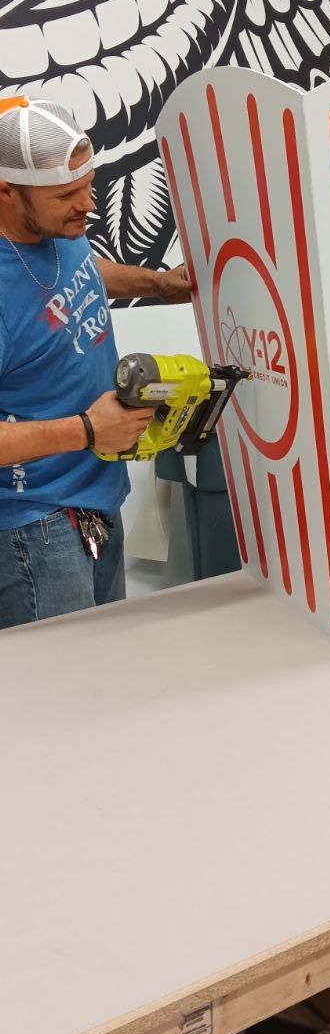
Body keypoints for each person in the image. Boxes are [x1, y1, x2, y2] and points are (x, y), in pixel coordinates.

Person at [0, 94, 193, 631]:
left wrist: (156, 284)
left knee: (104, 671)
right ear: (7, 191)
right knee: (60, 699)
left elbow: (81, 270)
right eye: (68, 194)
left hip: (93, 491)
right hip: (33, 528)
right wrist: (87, 430)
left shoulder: (51, 230)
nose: (89, 204)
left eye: (89, 184)